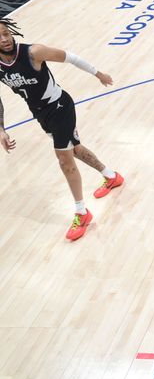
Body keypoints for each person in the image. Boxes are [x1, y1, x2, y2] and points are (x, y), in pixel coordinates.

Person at [0, 18, 124, 241]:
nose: (5, 39)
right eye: (0, 36)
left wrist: (99, 74)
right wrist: (1, 129)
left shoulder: (33, 52)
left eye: (7, 33)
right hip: (40, 114)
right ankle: (111, 176)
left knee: (64, 160)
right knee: (74, 149)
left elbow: (71, 57)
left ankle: (81, 212)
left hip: (59, 107)